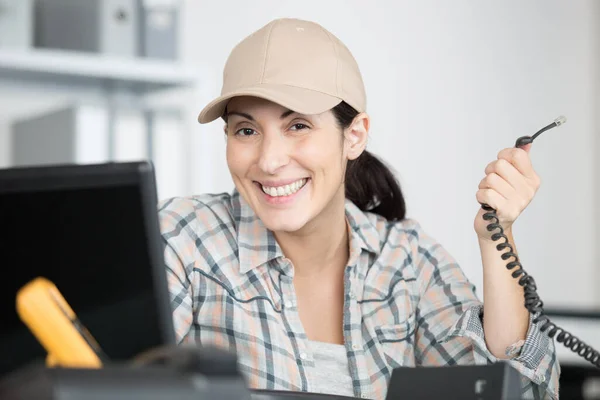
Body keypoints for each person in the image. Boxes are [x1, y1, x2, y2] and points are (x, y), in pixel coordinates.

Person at [158, 17, 559, 400]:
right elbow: (116, 385)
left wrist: (496, 237)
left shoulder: (409, 263)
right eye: (246, 130)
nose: (269, 160)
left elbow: (514, 391)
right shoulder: (181, 241)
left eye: (298, 125)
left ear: (354, 136)